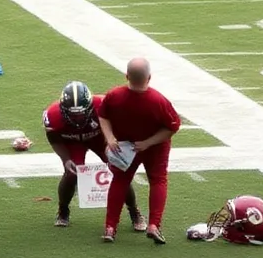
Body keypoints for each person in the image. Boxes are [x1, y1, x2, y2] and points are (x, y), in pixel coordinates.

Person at [97, 58, 181, 244]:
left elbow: (102, 116)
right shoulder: (158, 100)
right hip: (154, 147)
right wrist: (148, 142)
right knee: (158, 181)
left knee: (120, 181)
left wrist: (110, 138)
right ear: (149, 77)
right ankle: (154, 225)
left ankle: (110, 227)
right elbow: (172, 127)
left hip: (125, 148)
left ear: (127, 75)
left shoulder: (114, 95)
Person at [42, 81, 143, 230]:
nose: (77, 118)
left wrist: (114, 141)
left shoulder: (104, 104)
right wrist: (66, 159)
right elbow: (54, 139)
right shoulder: (53, 114)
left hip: (100, 138)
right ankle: (63, 210)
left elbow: (123, 125)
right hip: (72, 141)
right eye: (72, 114)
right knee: (71, 173)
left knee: (120, 171)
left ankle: (134, 212)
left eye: (81, 114)